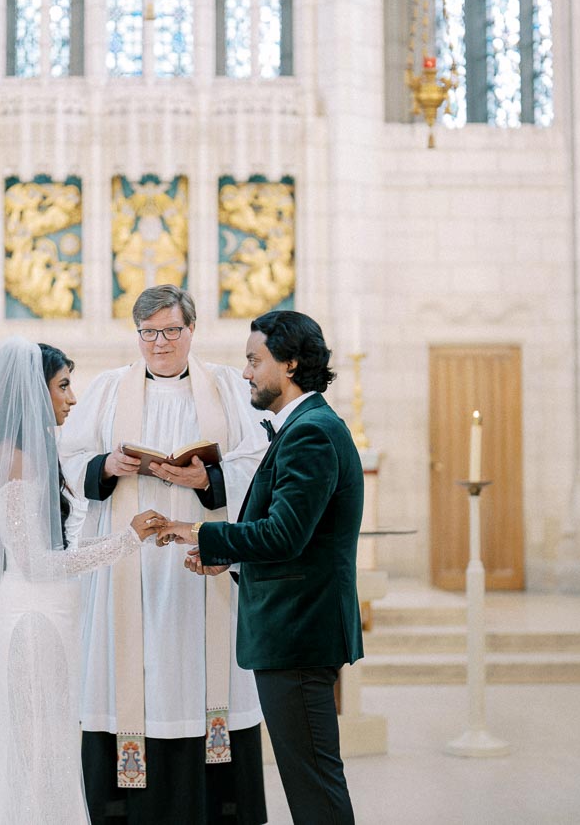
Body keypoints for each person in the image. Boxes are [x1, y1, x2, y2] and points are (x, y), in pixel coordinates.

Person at [0, 337, 165, 823]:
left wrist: (117, 537)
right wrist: (125, 541)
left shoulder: (29, 454)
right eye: (63, 386)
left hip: (47, 615)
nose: (72, 398)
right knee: (39, 753)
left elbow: (49, 553)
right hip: (31, 622)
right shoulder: (15, 459)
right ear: (33, 392)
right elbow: (36, 564)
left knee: (50, 749)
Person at [58, 285, 271, 824]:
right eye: (149, 332)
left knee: (206, 676)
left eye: (171, 331)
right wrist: (106, 466)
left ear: (191, 331)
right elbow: (69, 457)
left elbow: (259, 464)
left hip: (203, 570)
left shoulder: (225, 387)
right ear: (137, 335)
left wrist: (209, 477)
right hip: (128, 570)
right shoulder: (108, 391)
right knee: (134, 678)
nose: (160, 343)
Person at [161, 310, 364, 825]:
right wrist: (226, 557)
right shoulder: (305, 427)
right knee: (309, 780)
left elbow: (283, 534)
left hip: (297, 633)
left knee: (315, 786)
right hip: (297, 629)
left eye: (255, 360)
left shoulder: (311, 433)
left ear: (290, 363)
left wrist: (199, 533)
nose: (246, 373)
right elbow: (297, 538)